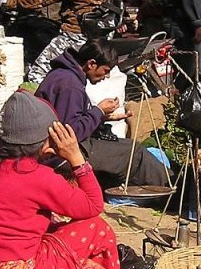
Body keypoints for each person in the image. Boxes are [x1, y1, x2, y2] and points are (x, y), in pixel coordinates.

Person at [0, 92, 120, 269]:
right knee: (96, 227)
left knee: (50, 222)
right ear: (46, 142)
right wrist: (76, 157)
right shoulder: (37, 176)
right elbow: (93, 205)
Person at [36, 39, 169, 187]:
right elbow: (71, 133)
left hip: (62, 145)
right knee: (133, 153)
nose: (105, 76)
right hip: (56, 153)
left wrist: (102, 117)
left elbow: (70, 117)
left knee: (127, 146)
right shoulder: (70, 85)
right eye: (105, 71)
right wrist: (98, 111)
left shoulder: (67, 76)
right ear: (91, 64)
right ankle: (169, 190)